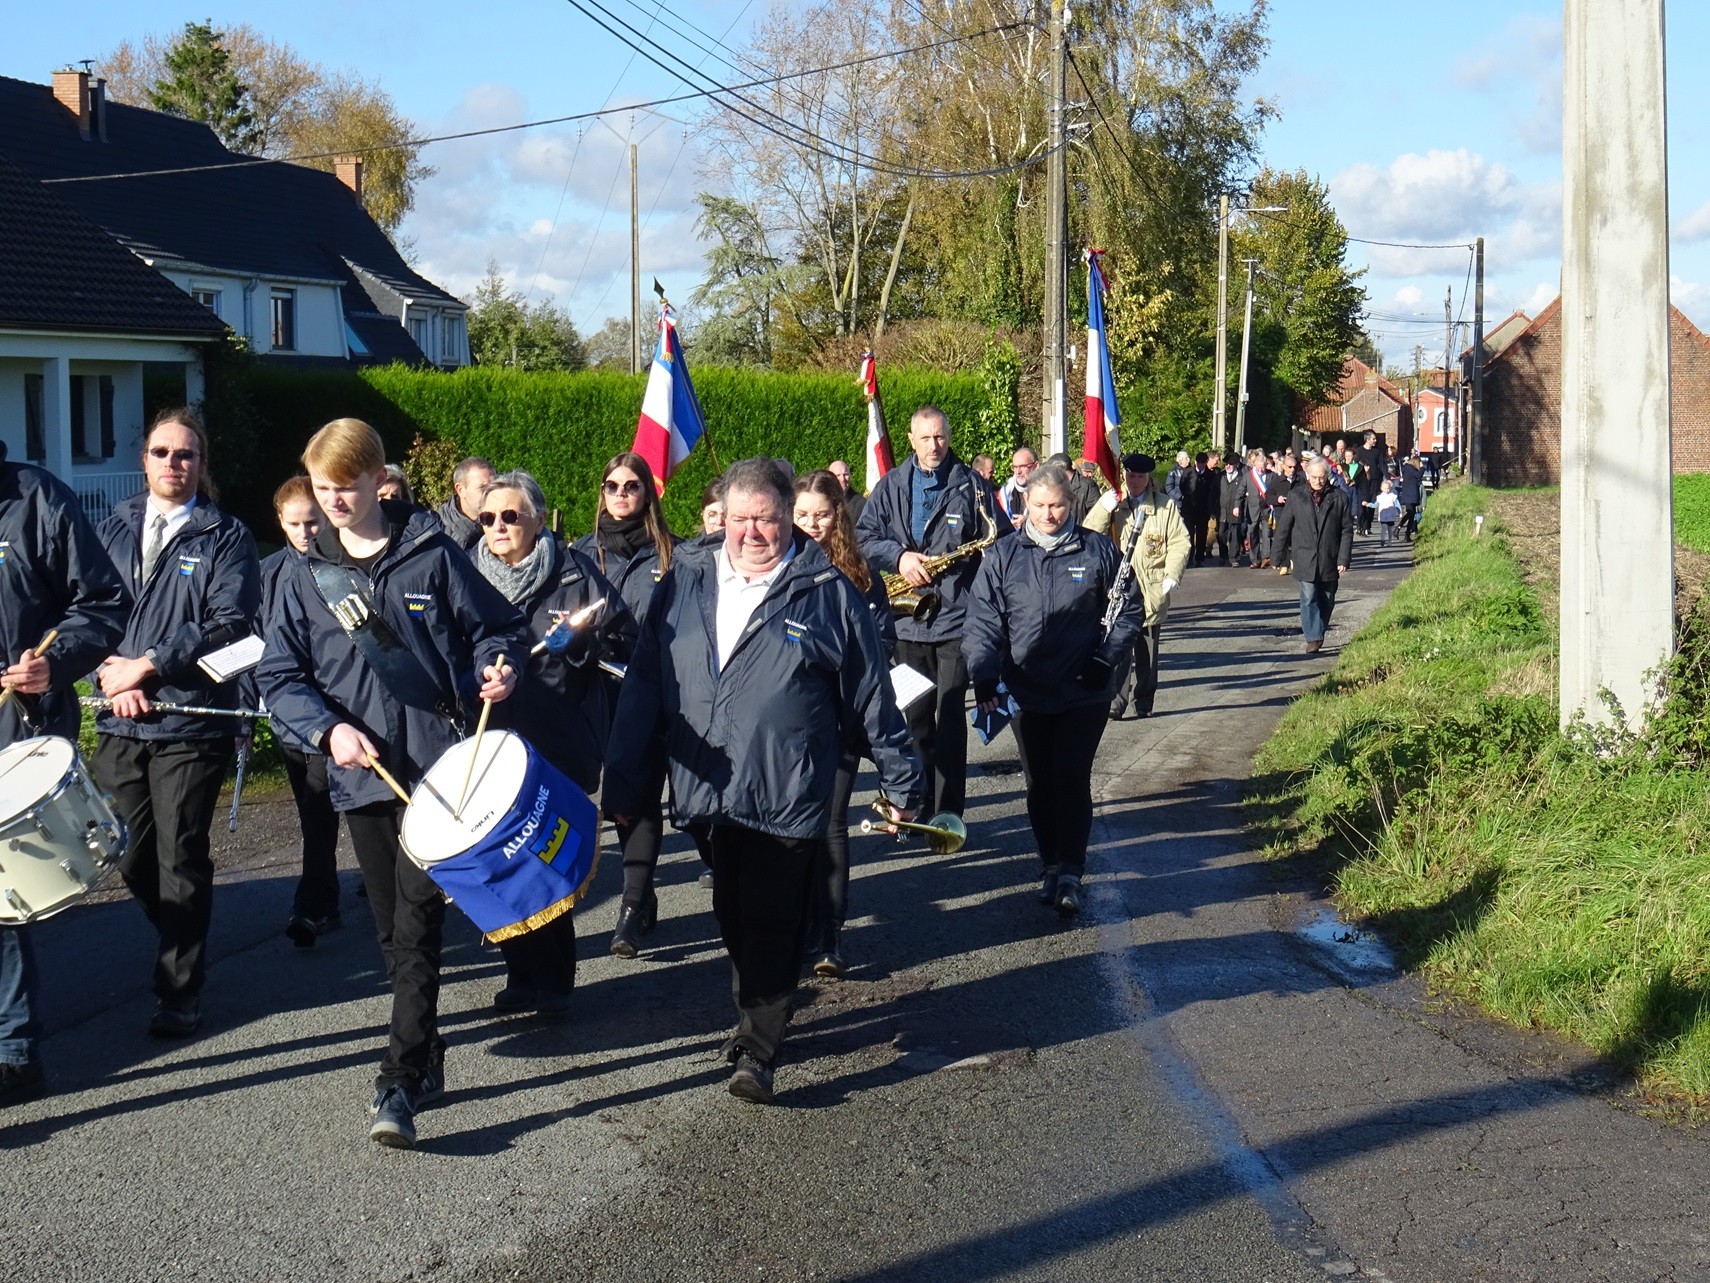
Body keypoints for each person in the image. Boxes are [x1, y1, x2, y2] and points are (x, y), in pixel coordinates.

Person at [605, 457, 921, 1104]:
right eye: (741, 519)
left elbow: (870, 696)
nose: (753, 533)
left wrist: (903, 778)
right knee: (732, 910)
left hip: (789, 789)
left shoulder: (827, 591)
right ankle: (758, 1003)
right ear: (723, 517)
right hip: (706, 791)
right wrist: (626, 780)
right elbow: (645, 682)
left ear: (789, 520)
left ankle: (759, 1042)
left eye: (768, 520)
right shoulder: (686, 578)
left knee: (773, 917)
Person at [258, 417, 525, 1148]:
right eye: (321, 488)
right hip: (363, 773)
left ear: (380, 480)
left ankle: (399, 1078)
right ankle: (428, 1046)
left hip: (440, 768)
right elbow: (280, 676)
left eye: (345, 486)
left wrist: (496, 668)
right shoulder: (300, 576)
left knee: (417, 923)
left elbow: (494, 630)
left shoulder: (434, 554)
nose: (333, 502)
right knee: (388, 932)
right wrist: (325, 729)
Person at [92, 408, 260, 1040]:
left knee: (180, 853)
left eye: (185, 454)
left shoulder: (226, 537)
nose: (173, 463)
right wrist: (110, 674)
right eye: (162, 452)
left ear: (201, 464)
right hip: (120, 716)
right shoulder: (113, 527)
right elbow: (89, 610)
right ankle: (181, 936)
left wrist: (150, 668)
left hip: (191, 721)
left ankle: (179, 991)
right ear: (145, 460)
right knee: (123, 851)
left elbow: (230, 624)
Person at [474, 469, 635, 1019]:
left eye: (510, 516)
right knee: (498, 860)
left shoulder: (574, 571)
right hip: (491, 740)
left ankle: (556, 981)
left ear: (538, 519)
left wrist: (578, 644)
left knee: (544, 857)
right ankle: (519, 972)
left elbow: (622, 634)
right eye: (488, 518)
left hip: (558, 736)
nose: (498, 526)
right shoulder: (466, 574)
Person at [0, 441, 128, 1103]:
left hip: (16, 721)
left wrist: (54, 663)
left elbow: (103, 602)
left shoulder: (37, 498)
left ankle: (14, 1047)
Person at [964, 463, 1144, 917]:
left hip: (1084, 689)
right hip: (1026, 690)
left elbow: (1128, 611)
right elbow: (983, 621)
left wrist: (1105, 660)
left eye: (1058, 505)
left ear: (1072, 504)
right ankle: (1048, 863)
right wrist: (984, 673)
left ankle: (1070, 871)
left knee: (1070, 776)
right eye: (1040, 506)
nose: (1049, 514)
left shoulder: (1099, 550)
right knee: (1039, 782)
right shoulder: (1004, 555)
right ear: (1026, 503)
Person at [856, 406, 1006, 820]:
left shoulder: (974, 487)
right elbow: (864, 536)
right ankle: (915, 805)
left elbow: (1000, 544)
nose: (934, 445)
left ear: (949, 435)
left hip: (957, 621)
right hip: (906, 620)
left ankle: (949, 812)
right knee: (915, 718)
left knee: (952, 718)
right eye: (925, 438)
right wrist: (900, 557)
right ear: (911, 440)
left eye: (940, 437)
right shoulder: (889, 486)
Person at [573, 451, 679, 957]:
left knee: (639, 795)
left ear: (647, 494)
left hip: (651, 692)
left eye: (631, 486)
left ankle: (631, 909)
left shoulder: (674, 555)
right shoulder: (578, 553)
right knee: (615, 804)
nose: (620, 495)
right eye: (611, 486)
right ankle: (645, 891)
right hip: (593, 695)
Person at [792, 469, 895, 978]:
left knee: (830, 823)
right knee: (793, 828)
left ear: (839, 516)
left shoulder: (862, 575)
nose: (812, 524)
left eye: (822, 515)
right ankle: (801, 924)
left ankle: (830, 934)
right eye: (803, 515)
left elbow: (881, 645)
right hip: (789, 725)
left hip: (839, 722)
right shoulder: (776, 568)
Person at [258, 477, 343, 948]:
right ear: (280, 522)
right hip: (289, 710)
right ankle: (321, 900)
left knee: (322, 806)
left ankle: (314, 903)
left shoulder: (339, 563)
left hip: (337, 709)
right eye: (294, 523)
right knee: (314, 810)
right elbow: (252, 636)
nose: (305, 531)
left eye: (313, 520)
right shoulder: (269, 572)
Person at [1085, 453, 1191, 720]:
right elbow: (1089, 536)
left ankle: (1143, 701)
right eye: (1131, 475)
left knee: (1147, 654)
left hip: (1151, 589)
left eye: (1140, 477)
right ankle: (1115, 703)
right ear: (1125, 475)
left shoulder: (1165, 507)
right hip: (1119, 590)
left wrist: (1172, 574)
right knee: (1118, 650)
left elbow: (1180, 542)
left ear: (1148, 479)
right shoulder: (1114, 503)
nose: (1135, 481)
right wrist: (1101, 509)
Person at [1272, 457, 1354, 654]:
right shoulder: (1296, 496)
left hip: (1329, 556)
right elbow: (1284, 528)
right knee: (1308, 597)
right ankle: (1313, 637)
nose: (1318, 481)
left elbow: (1346, 530)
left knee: (1327, 597)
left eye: (1321, 477)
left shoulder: (1340, 497)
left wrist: (1343, 559)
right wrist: (1276, 555)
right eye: (1314, 477)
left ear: (1327, 476)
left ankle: (1319, 630)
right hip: (1304, 556)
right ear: (1307, 475)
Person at [434, 456, 495, 551]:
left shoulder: (505, 518)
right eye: (482, 488)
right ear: (460, 490)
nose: (491, 492)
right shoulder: (449, 540)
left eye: (494, 486)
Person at [1241, 449, 1273, 569]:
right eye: (1258, 467)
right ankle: (1255, 559)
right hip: (1252, 510)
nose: (1260, 470)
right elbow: (1240, 491)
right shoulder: (1248, 476)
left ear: (1266, 465)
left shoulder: (1271, 475)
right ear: (1254, 465)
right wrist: (1236, 506)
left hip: (1266, 509)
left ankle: (1266, 558)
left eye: (1263, 467)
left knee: (1267, 534)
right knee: (1252, 534)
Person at [999, 447, 1037, 527]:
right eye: (1015, 467)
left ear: (1036, 466)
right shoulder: (1006, 492)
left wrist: (1028, 520)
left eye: (1023, 466)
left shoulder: (1045, 489)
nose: (1017, 472)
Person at [826, 459, 864, 526]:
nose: (843, 479)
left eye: (845, 474)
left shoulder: (861, 504)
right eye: (838, 475)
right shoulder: (825, 501)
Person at [1396, 454, 1425, 541]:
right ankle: (1398, 527)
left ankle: (1407, 535)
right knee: (1410, 512)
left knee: (1412, 515)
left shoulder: (1409, 469)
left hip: (1411, 495)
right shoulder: (1409, 468)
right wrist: (1422, 468)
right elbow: (1418, 475)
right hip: (1409, 495)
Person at [1371, 479, 1402, 545]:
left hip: (1391, 515)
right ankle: (1382, 539)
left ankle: (1389, 541)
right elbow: (1375, 505)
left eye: (1388, 488)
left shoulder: (1393, 496)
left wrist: (1399, 512)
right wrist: (1368, 504)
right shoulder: (1380, 497)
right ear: (1382, 488)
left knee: (1390, 529)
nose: (1387, 490)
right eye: (1385, 488)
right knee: (1383, 528)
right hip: (1383, 516)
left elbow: (1397, 504)